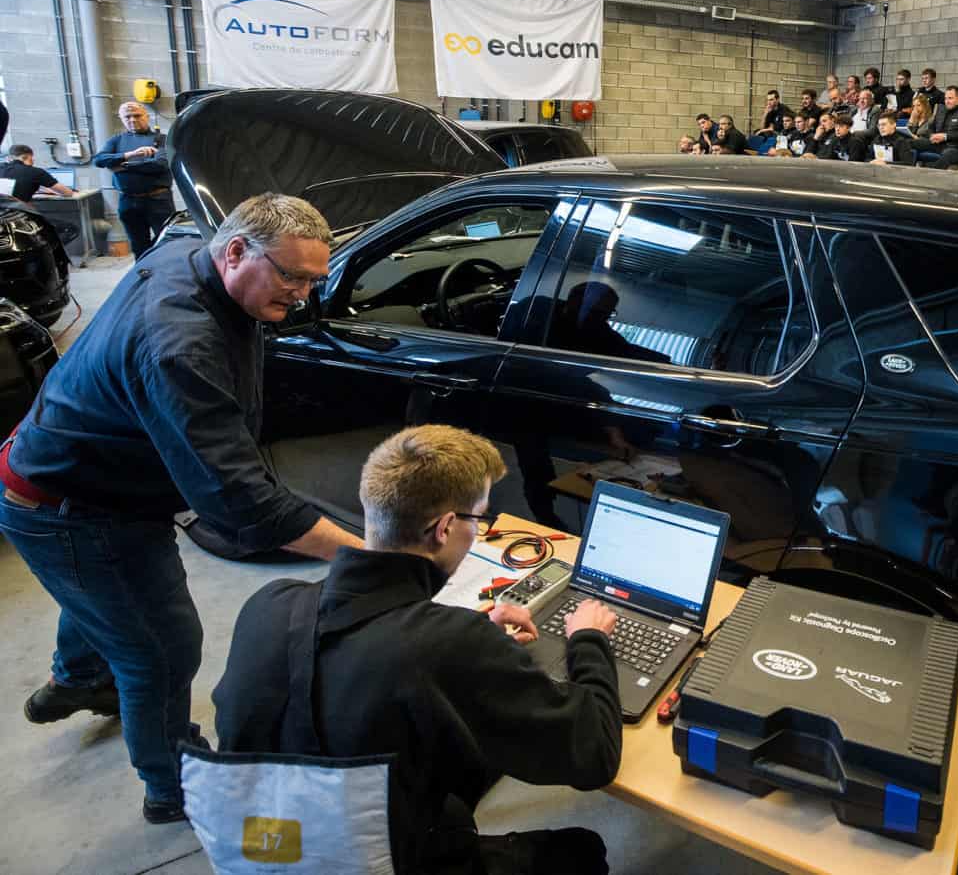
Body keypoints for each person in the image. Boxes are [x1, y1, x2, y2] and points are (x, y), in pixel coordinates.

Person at [0, 194, 364, 823]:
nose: (304, 295)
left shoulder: (186, 254)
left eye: (314, 279)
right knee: (162, 650)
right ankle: (175, 788)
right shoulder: (180, 343)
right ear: (235, 251)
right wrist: (371, 555)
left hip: (80, 472)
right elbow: (241, 500)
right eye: (292, 276)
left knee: (104, 596)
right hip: (74, 506)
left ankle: (79, 677)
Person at [212, 424, 621, 875]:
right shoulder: (448, 644)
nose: (477, 531)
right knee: (583, 852)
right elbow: (595, 754)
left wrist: (474, 646)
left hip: (273, 847)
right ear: (444, 528)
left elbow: (358, 674)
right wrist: (588, 638)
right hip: (383, 861)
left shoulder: (269, 605)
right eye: (477, 519)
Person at [91, 101, 176, 257]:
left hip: (158, 201)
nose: (132, 120)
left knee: (166, 243)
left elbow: (160, 164)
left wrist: (123, 166)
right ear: (121, 118)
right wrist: (131, 154)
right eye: (127, 117)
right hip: (128, 201)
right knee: (138, 245)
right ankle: (143, 270)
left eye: (137, 115)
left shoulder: (162, 139)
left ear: (146, 116)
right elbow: (99, 160)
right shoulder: (116, 140)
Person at [917, 85, 958, 170]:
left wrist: (945, 136)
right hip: (937, 144)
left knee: (947, 156)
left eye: (950, 98)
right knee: (909, 143)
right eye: (945, 98)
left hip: (957, 148)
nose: (947, 101)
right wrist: (932, 136)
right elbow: (931, 127)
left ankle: (926, 170)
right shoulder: (942, 109)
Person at [1, 145, 75, 202]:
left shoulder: (2, 167)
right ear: (24, 157)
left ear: (10, 158)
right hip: (16, 212)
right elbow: (67, 193)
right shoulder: (35, 172)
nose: (33, 161)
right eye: (31, 159)